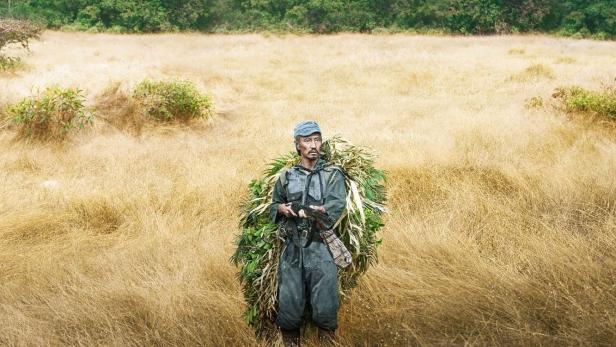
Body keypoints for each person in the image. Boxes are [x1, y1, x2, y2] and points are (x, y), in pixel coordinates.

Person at [269, 120, 347, 346]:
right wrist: (283, 209)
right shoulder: (286, 176)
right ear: (298, 146)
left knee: (325, 307)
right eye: (307, 140)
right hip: (292, 250)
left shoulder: (333, 174)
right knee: (290, 309)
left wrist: (314, 212)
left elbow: (335, 206)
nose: (313, 145)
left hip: (321, 247)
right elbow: (275, 204)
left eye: (317, 139)